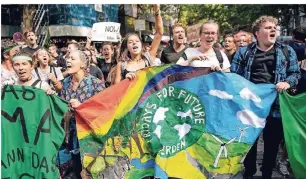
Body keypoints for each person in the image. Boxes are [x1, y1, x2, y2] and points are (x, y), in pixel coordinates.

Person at [230, 16, 300, 179]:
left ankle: (267, 174)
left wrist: (287, 83)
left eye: (274, 27)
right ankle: (249, 173)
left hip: (275, 107)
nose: (273, 30)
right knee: (249, 144)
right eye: (268, 28)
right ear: (257, 33)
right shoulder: (244, 52)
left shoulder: (286, 51)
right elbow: (234, 77)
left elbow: (295, 73)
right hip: (249, 108)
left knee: (271, 146)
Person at [57, 50, 105, 179]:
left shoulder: (95, 84)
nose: (68, 61)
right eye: (67, 58)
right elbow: (61, 109)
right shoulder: (66, 83)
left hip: (92, 138)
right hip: (73, 138)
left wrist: (82, 107)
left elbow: (104, 110)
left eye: (72, 59)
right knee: (77, 172)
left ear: (83, 64)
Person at [114, 4, 163, 83]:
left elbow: (159, 33)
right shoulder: (122, 65)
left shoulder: (148, 58)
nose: (134, 43)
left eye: (137, 41)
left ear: (141, 45)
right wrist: (125, 80)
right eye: (130, 42)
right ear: (127, 47)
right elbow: (116, 88)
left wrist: (157, 10)